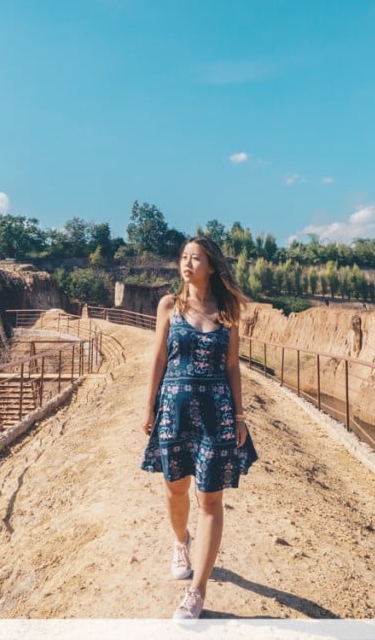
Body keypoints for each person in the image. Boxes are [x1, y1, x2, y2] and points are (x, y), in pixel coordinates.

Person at [141, 235, 258, 620]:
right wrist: (149, 405)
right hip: (174, 413)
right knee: (175, 491)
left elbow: (232, 366)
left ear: (211, 266)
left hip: (216, 415)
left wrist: (239, 415)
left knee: (210, 500)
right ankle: (181, 542)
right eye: (184, 257)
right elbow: (159, 358)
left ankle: (197, 591)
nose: (187, 264)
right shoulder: (169, 306)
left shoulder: (227, 311)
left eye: (195, 258)